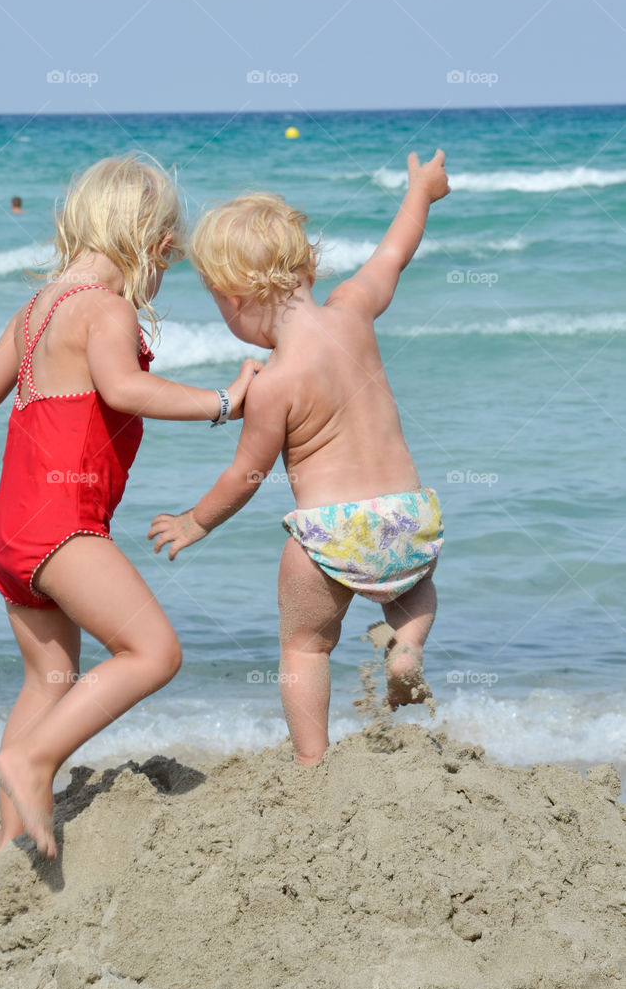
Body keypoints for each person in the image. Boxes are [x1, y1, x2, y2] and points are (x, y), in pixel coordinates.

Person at [0, 155, 261, 855]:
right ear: (153, 245)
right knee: (153, 652)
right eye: (168, 259)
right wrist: (224, 402)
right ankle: (32, 763)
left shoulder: (36, 309)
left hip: (8, 529)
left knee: (50, 678)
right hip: (62, 527)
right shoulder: (107, 309)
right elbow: (128, 392)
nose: (161, 275)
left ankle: (11, 843)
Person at [148, 151, 450, 767]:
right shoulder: (353, 310)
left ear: (233, 299)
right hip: (407, 520)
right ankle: (408, 646)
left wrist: (197, 521)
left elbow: (247, 473)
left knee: (306, 647)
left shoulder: (275, 383)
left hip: (328, 533)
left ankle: (313, 763)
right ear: (308, 264)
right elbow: (394, 254)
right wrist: (420, 193)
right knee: (414, 596)